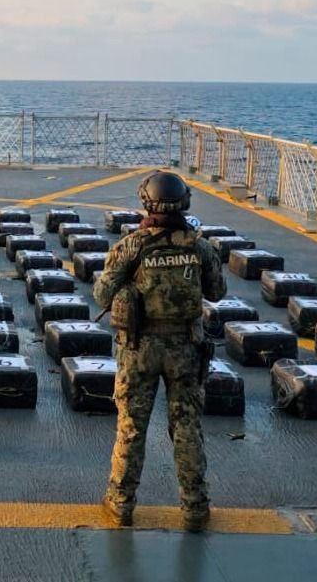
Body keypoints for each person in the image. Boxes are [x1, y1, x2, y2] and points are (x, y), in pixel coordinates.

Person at [93, 171, 224, 531]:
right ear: (184, 203)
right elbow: (217, 292)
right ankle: (195, 506)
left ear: (146, 203)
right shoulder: (199, 247)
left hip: (138, 350)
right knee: (186, 426)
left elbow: (102, 296)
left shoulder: (131, 246)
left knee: (131, 427)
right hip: (185, 348)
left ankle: (121, 501)